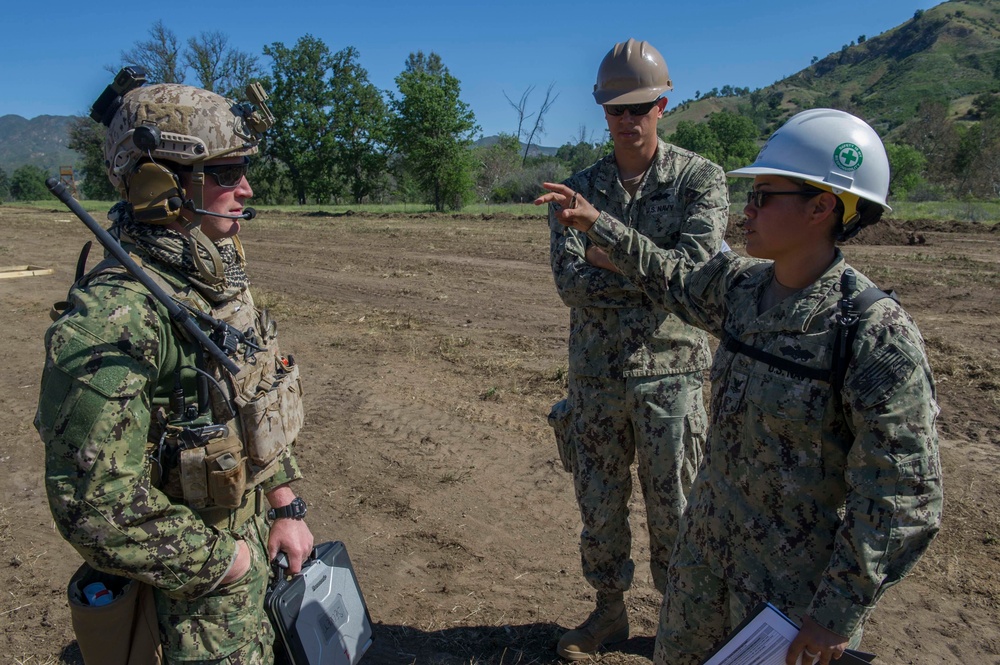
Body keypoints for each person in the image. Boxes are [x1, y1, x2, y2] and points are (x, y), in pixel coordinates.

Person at [539, 108, 943, 665]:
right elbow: (669, 276)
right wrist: (597, 222)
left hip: (784, 595)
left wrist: (835, 616)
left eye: (763, 196)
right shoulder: (741, 289)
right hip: (702, 567)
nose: (745, 211)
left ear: (822, 206)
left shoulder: (872, 334)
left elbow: (903, 499)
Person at [35, 77, 315, 663]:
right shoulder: (116, 317)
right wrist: (229, 565)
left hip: (251, 560)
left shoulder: (216, 273)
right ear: (157, 183)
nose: (245, 188)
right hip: (190, 611)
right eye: (224, 173)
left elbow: (252, 395)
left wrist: (285, 507)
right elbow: (95, 507)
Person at [536, 38, 729, 661]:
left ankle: (679, 625)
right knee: (599, 507)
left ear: (662, 104)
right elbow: (571, 285)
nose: (627, 119)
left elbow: (696, 283)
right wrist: (652, 272)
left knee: (678, 511)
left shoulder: (700, 180)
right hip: (596, 380)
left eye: (638, 107)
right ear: (602, 110)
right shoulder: (577, 188)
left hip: (672, 379)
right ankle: (608, 613)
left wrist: (604, 239)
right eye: (614, 109)